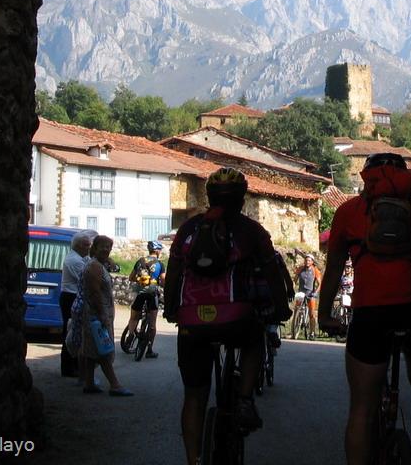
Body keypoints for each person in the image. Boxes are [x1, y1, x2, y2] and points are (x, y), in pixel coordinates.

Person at [318, 152, 411, 463]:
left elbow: (334, 268)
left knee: (362, 411)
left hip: (372, 312)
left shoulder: (349, 212)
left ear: (367, 180)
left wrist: (324, 315)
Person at [163, 167, 292, 465]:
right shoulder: (252, 231)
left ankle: (193, 460)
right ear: (242, 199)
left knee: (194, 396)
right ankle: (244, 399)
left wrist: (171, 308)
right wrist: (281, 308)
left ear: (209, 197)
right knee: (254, 339)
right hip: (237, 316)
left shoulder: (189, 229)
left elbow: (174, 272)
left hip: (192, 320)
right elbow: (272, 272)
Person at [77, 234, 133, 396]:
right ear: (95, 248)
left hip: (94, 313)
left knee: (92, 348)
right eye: (103, 246)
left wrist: (110, 261)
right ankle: (115, 385)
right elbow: (95, 292)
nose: (106, 250)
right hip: (96, 314)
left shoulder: (96, 264)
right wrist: (102, 314)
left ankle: (89, 383)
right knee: (103, 349)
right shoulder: (94, 267)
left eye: (109, 247)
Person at [59, 229, 96, 378]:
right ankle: (69, 367)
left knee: (74, 331)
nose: (89, 248)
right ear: (79, 246)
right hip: (71, 296)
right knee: (71, 331)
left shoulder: (81, 258)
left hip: (72, 296)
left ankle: (74, 365)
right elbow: (88, 278)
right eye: (87, 245)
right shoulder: (74, 260)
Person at [124, 240, 165, 358]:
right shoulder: (160, 264)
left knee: (134, 317)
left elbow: (131, 277)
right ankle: (149, 350)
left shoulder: (140, 261)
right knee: (152, 323)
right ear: (157, 251)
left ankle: (130, 335)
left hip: (140, 293)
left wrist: (140, 281)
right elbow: (163, 280)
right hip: (152, 294)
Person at [293, 252, 323, 339]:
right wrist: (292, 289)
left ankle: (312, 333)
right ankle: (294, 330)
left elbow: (319, 284)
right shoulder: (300, 269)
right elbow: (295, 280)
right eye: (306, 260)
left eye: (309, 260)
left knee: (312, 314)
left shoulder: (315, 270)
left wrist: (316, 292)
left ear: (312, 262)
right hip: (301, 292)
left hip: (310, 293)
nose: (307, 262)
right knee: (296, 310)